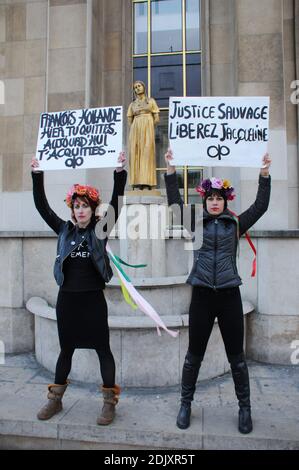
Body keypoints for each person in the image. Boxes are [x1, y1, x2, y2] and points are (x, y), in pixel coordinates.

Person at [164, 148, 271, 434]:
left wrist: (264, 174)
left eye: (218, 198)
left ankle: (245, 408)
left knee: (236, 356)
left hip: (228, 297)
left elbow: (260, 205)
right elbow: (175, 204)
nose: (213, 202)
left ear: (225, 201)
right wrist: (172, 171)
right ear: (205, 200)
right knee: (193, 355)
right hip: (201, 296)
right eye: (210, 198)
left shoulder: (235, 224)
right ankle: (185, 404)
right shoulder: (195, 223)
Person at [31, 153, 127, 425]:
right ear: (72, 210)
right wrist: (37, 176)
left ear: (92, 208)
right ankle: (55, 400)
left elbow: (117, 204)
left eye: (85, 205)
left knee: (103, 350)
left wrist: (119, 172)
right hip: (68, 302)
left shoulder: (99, 231)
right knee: (66, 351)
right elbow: (42, 207)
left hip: (93, 301)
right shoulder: (63, 230)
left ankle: (109, 404)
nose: (80, 210)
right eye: (76, 206)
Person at [127, 80, 160, 189]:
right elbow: (129, 119)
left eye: (139, 86)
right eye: (135, 87)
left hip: (147, 127)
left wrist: (149, 125)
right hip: (136, 127)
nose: (137, 88)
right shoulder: (132, 104)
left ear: (144, 87)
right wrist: (135, 127)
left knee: (147, 153)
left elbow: (156, 117)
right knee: (136, 153)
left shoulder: (151, 101)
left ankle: (147, 182)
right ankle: (137, 182)